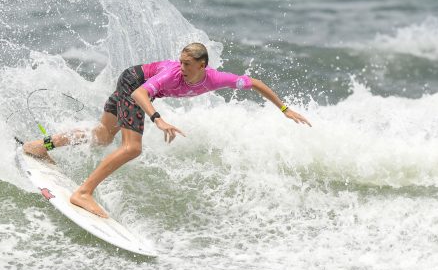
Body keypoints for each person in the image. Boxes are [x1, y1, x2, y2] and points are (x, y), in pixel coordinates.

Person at [23, 42, 311, 218]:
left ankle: (40, 146)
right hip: (133, 83)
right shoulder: (172, 73)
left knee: (102, 136)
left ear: (202, 65)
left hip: (133, 84)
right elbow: (139, 94)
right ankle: (83, 193)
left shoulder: (216, 78)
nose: (182, 67)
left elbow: (255, 83)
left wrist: (285, 110)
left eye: (188, 64)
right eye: (181, 61)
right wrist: (158, 119)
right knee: (132, 148)